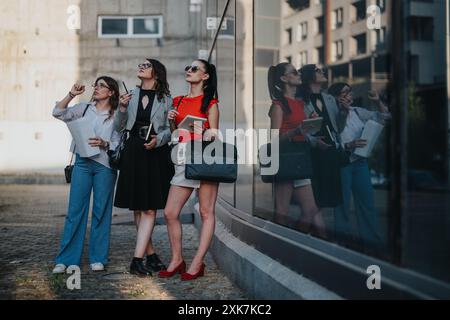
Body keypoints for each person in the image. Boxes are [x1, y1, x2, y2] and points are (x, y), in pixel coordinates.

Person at [158, 59, 219, 281]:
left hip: (204, 158)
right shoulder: (179, 100)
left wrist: (202, 130)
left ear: (205, 76)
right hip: (182, 158)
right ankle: (177, 259)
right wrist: (173, 122)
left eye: (194, 69)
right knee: (170, 212)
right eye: (187, 68)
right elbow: (175, 135)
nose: (189, 71)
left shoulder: (211, 102)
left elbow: (214, 133)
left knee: (206, 212)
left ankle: (197, 262)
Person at [52, 76, 120, 273]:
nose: (96, 88)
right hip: (82, 163)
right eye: (96, 85)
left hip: (105, 166)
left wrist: (105, 143)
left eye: (102, 86)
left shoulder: (117, 114)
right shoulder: (83, 108)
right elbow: (58, 112)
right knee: (75, 212)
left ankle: (98, 257)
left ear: (111, 92)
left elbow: (120, 142)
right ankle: (66, 259)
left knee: (101, 212)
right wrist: (72, 94)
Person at [114, 59, 174, 276]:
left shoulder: (166, 99)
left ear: (156, 73)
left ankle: (137, 260)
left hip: (154, 152)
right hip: (133, 151)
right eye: (139, 64)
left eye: (145, 65)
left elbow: (170, 130)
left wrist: (159, 140)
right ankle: (150, 255)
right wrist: (121, 107)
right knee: (139, 208)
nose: (140, 66)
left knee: (149, 208)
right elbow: (118, 127)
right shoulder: (130, 95)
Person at [328, 83, 390, 251]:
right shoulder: (332, 115)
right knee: (343, 207)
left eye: (350, 92)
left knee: (367, 204)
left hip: (360, 163)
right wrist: (350, 144)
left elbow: (385, 116)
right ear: (336, 97)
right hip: (343, 164)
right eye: (345, 93)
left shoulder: (357, 111)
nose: (349, 96)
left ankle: (372, 244)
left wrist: (377, 101)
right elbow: (332, 143)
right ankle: (343, 244)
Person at [267, 63, 326, 238]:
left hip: (300, 158)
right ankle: (278, 247)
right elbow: (274, 139)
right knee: (282, 212)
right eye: (294, 72)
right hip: (285, 159)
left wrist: (311, 125)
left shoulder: (300, 103)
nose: (298, 74)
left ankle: (293, 242)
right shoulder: (278, 105)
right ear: (284, 79)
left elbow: (303, 130)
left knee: (311, 210)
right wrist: (297, 131)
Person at [298, 64, 344, 209]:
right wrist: (314, 142)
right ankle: (307, 230)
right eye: (318, 70)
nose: (322, 71)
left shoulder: (330, 99)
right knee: (314, 203)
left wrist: (345, 113)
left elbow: (339, 127)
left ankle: (312, 231)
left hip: (331, 152)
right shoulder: (300, 101)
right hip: (313, 154)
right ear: (309, 77)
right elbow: (299, 130)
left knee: (326, 202)